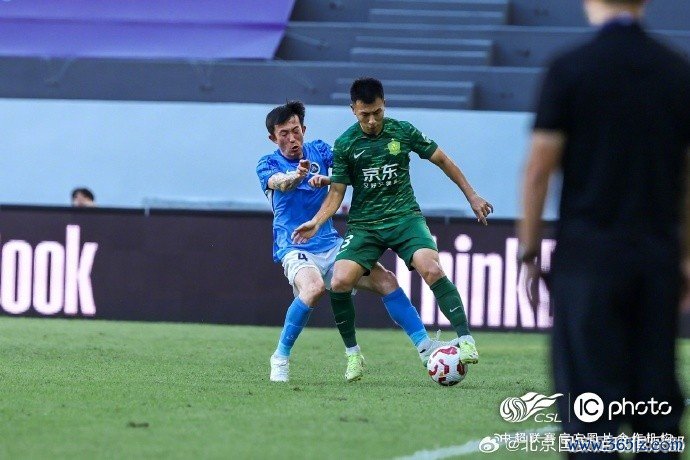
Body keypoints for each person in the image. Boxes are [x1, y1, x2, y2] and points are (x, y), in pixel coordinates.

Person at [518, 0, 690, 450]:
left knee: (588, 409)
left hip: (587, 257)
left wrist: (529, 252)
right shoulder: (677, 69)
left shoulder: (569, 68)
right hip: (656, 256)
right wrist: (686, 256)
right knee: (656, 403)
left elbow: (538, 169)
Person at [292, 78, 493, 364]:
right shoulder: (345, 144)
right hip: (365, 225)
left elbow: (443, 160)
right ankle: (353, 355)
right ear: (353, 110)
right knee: (339, 280)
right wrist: (316, 221)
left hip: (404, 218)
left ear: (384, 105)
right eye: (365, 115)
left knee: (432, 269)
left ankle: (466, 340)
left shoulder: (403, 131)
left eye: (377, 112)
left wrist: (472, 196)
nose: (372, 121)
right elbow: (337, 192)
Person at [256, 100, 457, 383]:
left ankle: (425, 347)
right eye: (284, 134)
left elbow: (347, 171)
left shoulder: (320, 150)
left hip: (330, 243)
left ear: (304, 129)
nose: (292, 139)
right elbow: (279, 182)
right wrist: (296, 175)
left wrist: (328, 179)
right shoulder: (267, 164)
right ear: (272, 138)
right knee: (313, 288)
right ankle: (280, 357)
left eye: (296, 131)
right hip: (294, 246)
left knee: (386, 281)